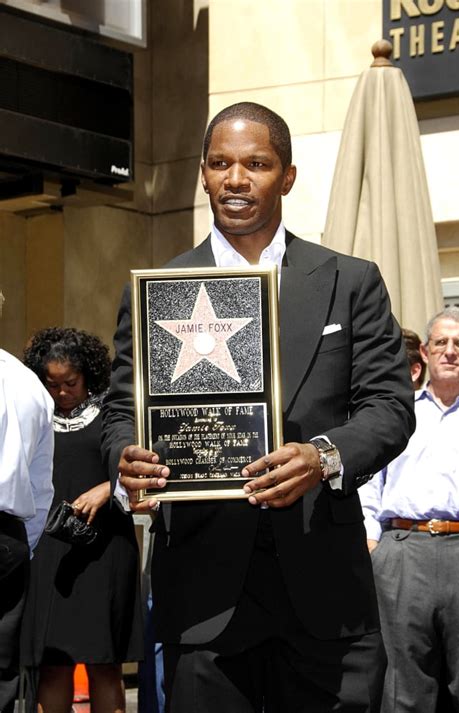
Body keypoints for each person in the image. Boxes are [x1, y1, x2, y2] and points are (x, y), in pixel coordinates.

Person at [102, 102, 415, 712]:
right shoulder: (157, 287)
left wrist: (323, 456)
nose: (236, 180)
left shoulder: (349, 281)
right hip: (201, 596)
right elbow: (121, 411)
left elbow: (390, 407)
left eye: (256, 164)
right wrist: (124, 459)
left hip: (324, 592)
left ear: (287, 177)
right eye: (220, 164)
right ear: (202, 173)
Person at [21, 328, 143, 713]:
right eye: (51, 383)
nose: (61, 392)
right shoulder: (35, 414)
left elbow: (138, 464)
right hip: (50, 550)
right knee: (52, 664)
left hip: (105, 549)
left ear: (87, 374)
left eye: (69, 383)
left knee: (104, 663)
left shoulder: (114, 411)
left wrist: (107, 488)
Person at [360, 307, 459, 713]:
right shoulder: (399, 413)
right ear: (424, 352)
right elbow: (371, 481)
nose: (450, 351)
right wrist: (373, 543)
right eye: (441, 343)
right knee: (403, 687)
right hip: (403, 550)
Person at [0, 348, 54, 713]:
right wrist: (22, 546)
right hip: (9, 537)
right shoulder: (28, 382)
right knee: (2, 672)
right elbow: (40, 488)